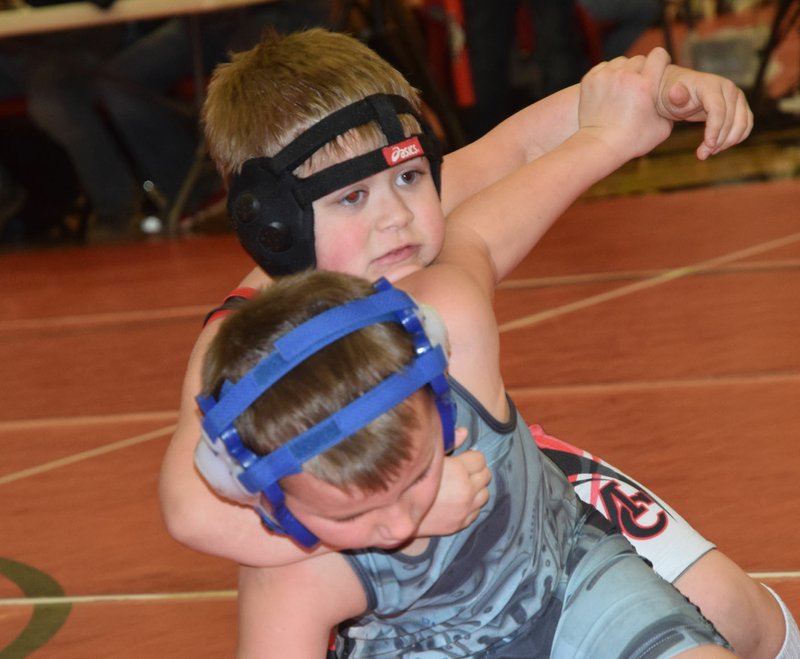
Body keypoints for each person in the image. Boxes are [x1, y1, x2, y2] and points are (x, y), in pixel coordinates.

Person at [158, 28, 798, 659]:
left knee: (735, 613)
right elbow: (193, 509)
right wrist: (388, 521)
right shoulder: (244, 349)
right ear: (273, 228)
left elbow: (515, 147)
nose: (397, 216)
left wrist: (647, 94)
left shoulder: (419, 253)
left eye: (412, 179)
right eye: (354, 196)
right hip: (402, 590)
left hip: (520, 497)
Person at [200, 266, 736, 657]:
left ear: (442, 404)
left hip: (570, 585)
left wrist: (602, 132)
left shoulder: (465, 359)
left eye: (417, 479)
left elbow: (487, 203)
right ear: (266, 499)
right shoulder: (292, 581)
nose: (399, 524)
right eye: (349, 517)